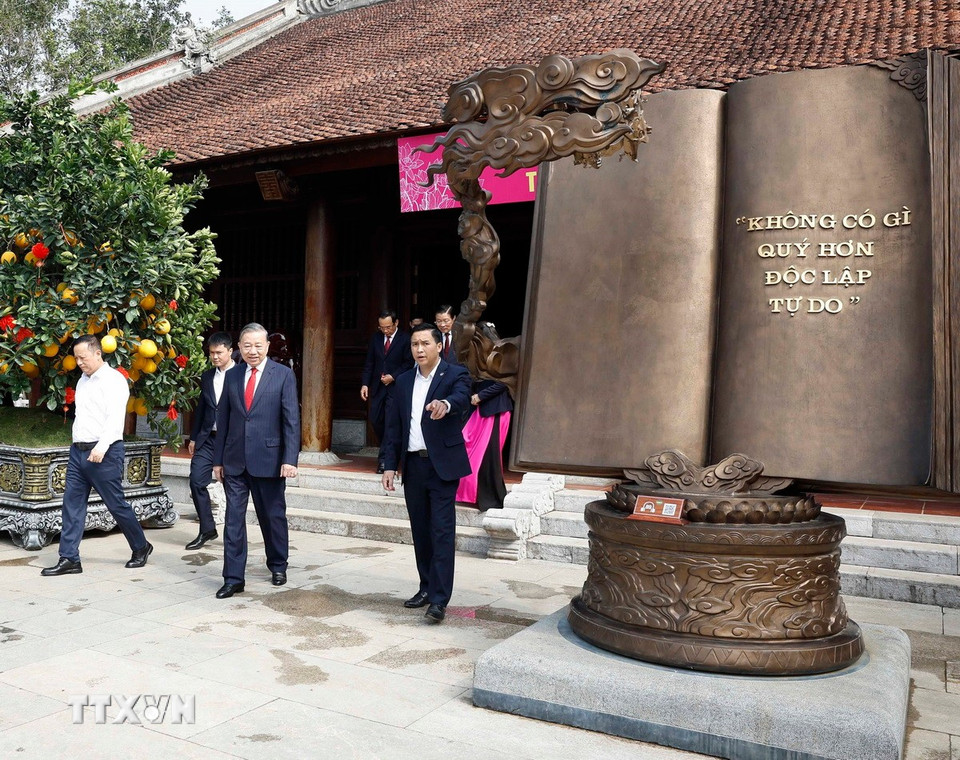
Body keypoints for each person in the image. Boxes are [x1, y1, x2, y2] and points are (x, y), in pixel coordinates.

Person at [380, 323, 471, 623]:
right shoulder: (404, 381)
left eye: (425, 344)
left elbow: (460, 398)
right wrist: (389, 465)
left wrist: (445, 404)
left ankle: (440, 600)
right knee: (420, 530)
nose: (419, 349)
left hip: (441, 465)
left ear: (438, 346)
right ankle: (426, 587)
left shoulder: (454, 374)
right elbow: (394, 426)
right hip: (413, 465)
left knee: (441, 531)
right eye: (415, 344)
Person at [41, 335, 153, 576]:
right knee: (71, 505)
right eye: (76, 358)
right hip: (78, 451)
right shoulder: (83, 380)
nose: (79, 362)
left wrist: (100, 448)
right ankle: (69, 558)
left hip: (105, 451)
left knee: (116, 504)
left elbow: (115, 419)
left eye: (83, 357)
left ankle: (141, 547)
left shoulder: (114, 380)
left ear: (97, 354)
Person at [212, 323, 300, 598]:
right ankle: (233, 577)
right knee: (233, 521)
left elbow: (291, 421)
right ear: (238, 347)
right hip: (235, 460)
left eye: (258, 345)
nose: (252, 351)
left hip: (270, 460)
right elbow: (223, 420)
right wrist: (218, 461)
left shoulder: (283, 375)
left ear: (267, 346)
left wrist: (290, 459)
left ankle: (277, 565)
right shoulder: (233, 375)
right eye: (247, 345)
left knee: (272, 517)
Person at [185, 331, 235, 550]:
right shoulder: (207, 376)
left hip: (233, 441)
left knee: (233, 487)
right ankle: (207, 529)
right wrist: (194, 437)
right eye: (212, 353)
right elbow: (202, 409)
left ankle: (233, 537)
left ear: (230, 351)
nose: (215, 357)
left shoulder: (241, 374)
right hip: (208, 439)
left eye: (219, 353)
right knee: (196, 480)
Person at [360, 310, 412, 473]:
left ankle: (384, 460)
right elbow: (370, 362)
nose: (385, 331)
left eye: (388, 327)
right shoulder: (376, 338)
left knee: (390, 422)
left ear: (396, 323)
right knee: (375, 420)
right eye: (382, 327)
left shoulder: (405, 339)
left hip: (395, 387)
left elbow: (409, 364)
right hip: (377, 386)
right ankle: (392, 448)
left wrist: (393, 377)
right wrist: (365, 384)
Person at [456, 379, 513, 510]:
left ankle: (488, 498)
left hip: (495, 409)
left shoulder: (504, 359)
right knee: (470, 448)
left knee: (487, 454)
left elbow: (506, 382)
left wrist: (481, 396)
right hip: (480, 407)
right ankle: (469, 494)